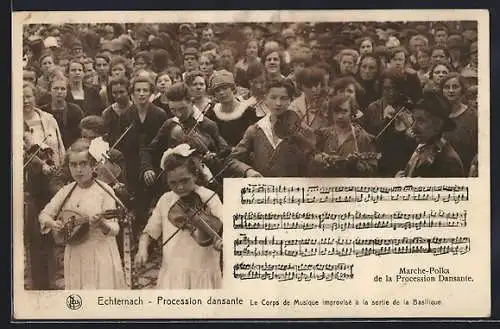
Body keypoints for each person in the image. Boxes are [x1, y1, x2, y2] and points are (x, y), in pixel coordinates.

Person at [38, 138, 126, 289]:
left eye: (83, 164)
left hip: (100, 253)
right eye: (73, 164)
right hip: (75, 253)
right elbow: (44, 215)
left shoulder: (105, 191)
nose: (78, 170)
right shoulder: (66, 191)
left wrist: (102, 224)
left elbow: (115, 229)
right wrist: (52, 223)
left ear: (94, 165)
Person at [134, 145, 223, 289]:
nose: (180, 187)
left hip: (203, 270)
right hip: (174, 271)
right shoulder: (166, 200)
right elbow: (149, 232)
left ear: (195, 174)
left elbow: (225, 229)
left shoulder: (209, 197)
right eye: (173, 183)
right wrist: (142, 249)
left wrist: (220, 241)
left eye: (185, 180)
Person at [227, 78, 313, 177]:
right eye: (273, 97)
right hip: (264, 189)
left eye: (283, 98)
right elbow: (232, 160)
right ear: (265, 99)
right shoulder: (255, 129)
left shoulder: (301, 129)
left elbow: (312, 161)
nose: (278, 103)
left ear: (290, 100)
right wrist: (248, 171)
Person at [396, 91, 464, 177]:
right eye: (414, 119)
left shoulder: (448, 161)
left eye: (421, 121)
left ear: (438, 125)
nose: (413, 127)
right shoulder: (422, 146)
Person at [311, 94, 378, 177]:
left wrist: (356, 165)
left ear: (352, 113)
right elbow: (311, 162)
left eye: (344, 112)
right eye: (336, 112)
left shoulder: (363, 138)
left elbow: (371, 170)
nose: (339, 116)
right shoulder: (323, 135)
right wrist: (318, 160)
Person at [205, 70, 258, 146]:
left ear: (233, 88)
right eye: (217, 90)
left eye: (225, 88)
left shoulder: (249, 112)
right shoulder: (211, 114)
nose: (221, 93)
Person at [40, 74, 84, 148]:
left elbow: (81, 136)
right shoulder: (43, 111)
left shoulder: (75, 110)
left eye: (63, 89)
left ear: (67, 91)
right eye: (56, 88)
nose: (59, 92)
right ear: (50, 91)